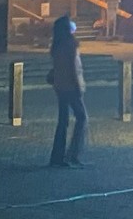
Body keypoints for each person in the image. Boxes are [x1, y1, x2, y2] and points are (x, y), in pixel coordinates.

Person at [49, 15, 87, 168]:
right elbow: (73, 68)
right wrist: (79, 87)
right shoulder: (70, 44)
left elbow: (58, 67)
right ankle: (73, 154)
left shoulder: (56, 45)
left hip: (60, 86)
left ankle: (57, 157)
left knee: (63, 121)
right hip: (71, 86)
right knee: (82, 118)